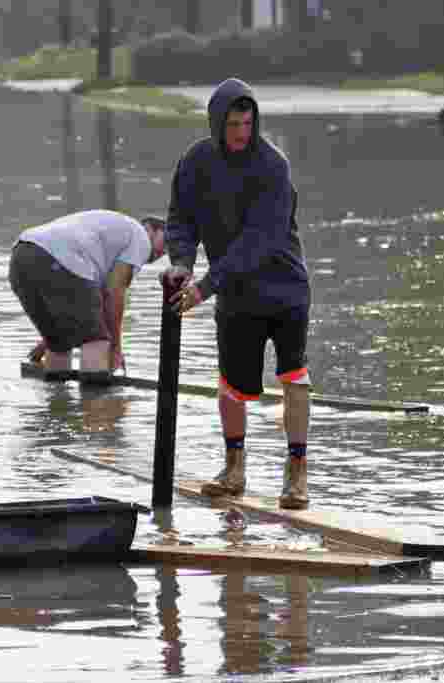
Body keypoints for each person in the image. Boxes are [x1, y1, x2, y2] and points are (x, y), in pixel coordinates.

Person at [162, 77, 312, 509]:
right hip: (236, 294)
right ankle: (234, 470)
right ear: (216, 123)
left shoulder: (273, 166)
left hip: (284, 288)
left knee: (293, 378)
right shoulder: (196, 163)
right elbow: (181, 219)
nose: (242, 133)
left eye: (248, 123)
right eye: (233, 124)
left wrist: (205, 287)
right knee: (231, 384)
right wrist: (182, 264)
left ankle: (297, 476)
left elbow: (257, 242)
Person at [9, 209, 166, 384]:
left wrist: (48, 338)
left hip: (21, 256)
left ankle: (58, 405)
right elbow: (114, 293)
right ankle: (95, 406)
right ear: (149, 229)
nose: (164, 252)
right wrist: (115, 347)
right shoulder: (140, 236)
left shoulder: (109, 236)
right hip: (60, 260)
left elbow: (82, 301)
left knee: (59, 343)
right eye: (165, 241)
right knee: (96, 341)